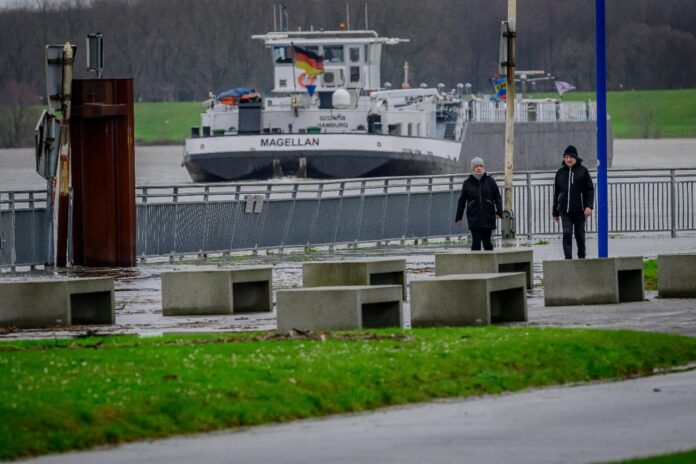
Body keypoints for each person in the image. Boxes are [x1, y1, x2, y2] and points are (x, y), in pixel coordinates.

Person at [552, 145, 595, 259]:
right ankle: (568, 261)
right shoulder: (560, 173)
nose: (569, 159)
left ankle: (581, 257)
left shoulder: (583, 171)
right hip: (564, 211)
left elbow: (589, 190)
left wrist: (589, 206)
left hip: (580, 210)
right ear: (564, 158)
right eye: (566, 157)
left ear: (576, 158)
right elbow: (556, 193)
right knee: (567, 233)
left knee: (580, 236)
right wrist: (555, 212)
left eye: (571, 157)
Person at [455, 157, 503, 250]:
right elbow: (462, 201)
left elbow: (497, 197)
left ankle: (490, 263)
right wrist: (458, 217)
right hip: (474, 217)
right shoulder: (467, 182)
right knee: (476, 242)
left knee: (487, 242)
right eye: (477, 166)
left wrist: (499, 212)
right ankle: (475, 264)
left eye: (481, 166)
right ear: (473, 168)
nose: (479, 168)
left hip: (488, 216)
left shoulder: (490, 181)